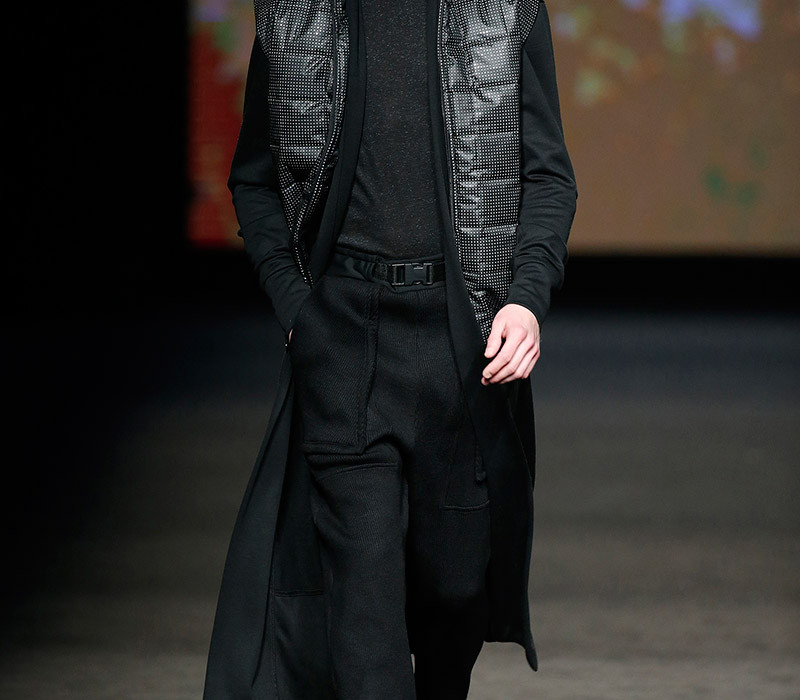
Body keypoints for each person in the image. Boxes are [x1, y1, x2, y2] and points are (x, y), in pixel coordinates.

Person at [202, 0, 577, 698]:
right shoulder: (294, 13)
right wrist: (297, 309)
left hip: (461, 343)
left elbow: (548, 174)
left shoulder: (504, 9)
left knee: (455, 593)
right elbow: (254, 177)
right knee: (363, 619)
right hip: (343, 339)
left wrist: (526, 300)